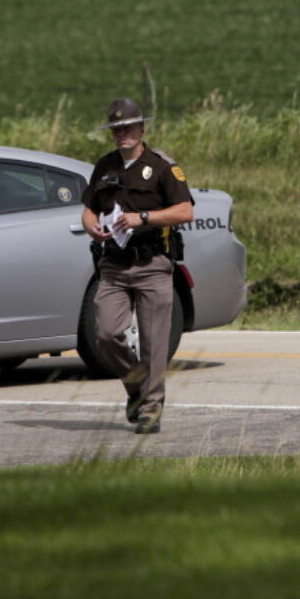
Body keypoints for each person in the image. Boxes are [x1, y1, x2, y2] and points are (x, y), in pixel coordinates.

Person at [81, 98, 194, 434]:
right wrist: (90, 225)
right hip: (113, 266)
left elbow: (185, 211)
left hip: (153, 265)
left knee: (154, 343)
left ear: (142, 128)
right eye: (116, 129)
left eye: (128, 127)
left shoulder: (161, 167)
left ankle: (150, 409)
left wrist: (142, 217)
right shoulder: (104, 166)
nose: (121, 133)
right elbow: (89, 208)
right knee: (106, 334)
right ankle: (136, 385)